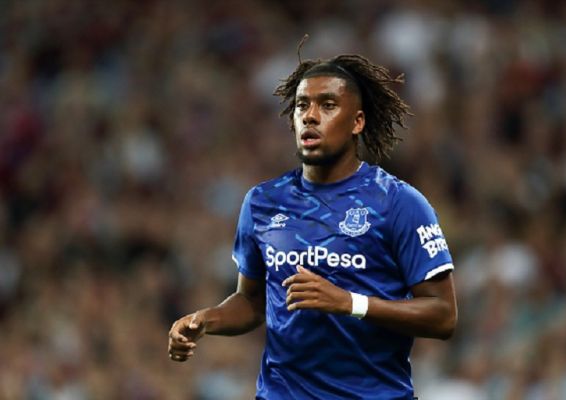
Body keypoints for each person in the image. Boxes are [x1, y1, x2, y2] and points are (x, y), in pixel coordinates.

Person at [168, 48, 458, 399]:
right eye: (302, 105)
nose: (310, 116)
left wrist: (350, 303)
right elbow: (252, 301)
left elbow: (443, 316)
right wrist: (204, 320)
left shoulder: (399, 203)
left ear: (357, 122)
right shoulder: (263, 202)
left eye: (328, 105)